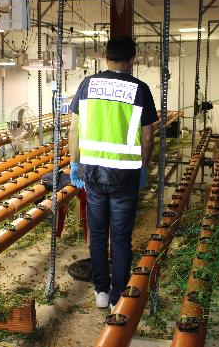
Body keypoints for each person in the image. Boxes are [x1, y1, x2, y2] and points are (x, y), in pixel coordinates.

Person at [68, 36, 158, 309]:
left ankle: (100, 292)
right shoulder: (139, 88)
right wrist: (143, 166)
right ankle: (118, 294)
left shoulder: (86, 85)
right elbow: (148, 136)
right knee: (120, 238)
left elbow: (74, 129)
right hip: (125, 176)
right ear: (132, 60)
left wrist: (74, 163)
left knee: (97, 235)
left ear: (105, 57)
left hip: (93, 174)